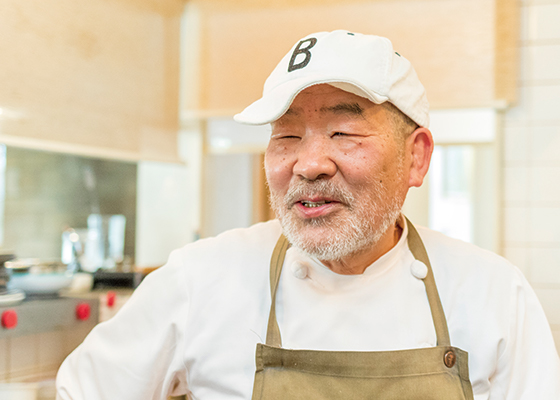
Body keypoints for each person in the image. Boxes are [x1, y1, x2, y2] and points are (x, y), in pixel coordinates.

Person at [56, 30, 560, 399]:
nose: (310, 163)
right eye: (287, 136)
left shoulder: (493, 292)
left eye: (343, 133)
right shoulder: (200, 279)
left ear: (417, 157)